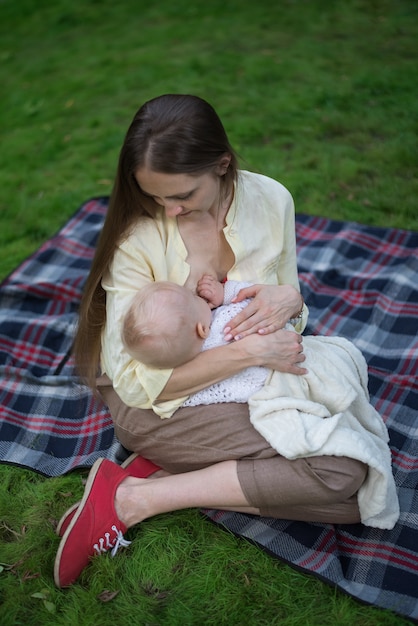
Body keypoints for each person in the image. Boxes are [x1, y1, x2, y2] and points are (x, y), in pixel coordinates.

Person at [54, 94, 372, 588]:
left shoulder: (271, 200)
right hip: (158, 402)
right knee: (347, 471)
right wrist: (244, 351)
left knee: (356, 503)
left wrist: (291, 299)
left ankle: (160, 481)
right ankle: (133, 499)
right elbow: (137, 387)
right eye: (156, 196)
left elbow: (283, 315)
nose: (171, 209)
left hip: (248, 381)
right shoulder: (137, 239)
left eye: (182, 194)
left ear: (222, 164)